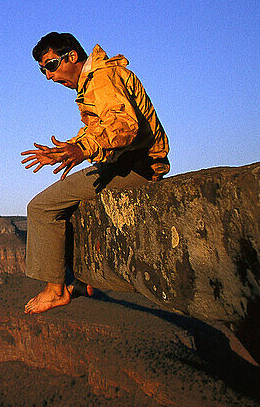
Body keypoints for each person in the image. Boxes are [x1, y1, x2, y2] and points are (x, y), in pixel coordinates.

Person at [20, 32, 169, 314]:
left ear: (72, 56)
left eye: (51, 66)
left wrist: (84, 149)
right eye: (43, 70)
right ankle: (78, 280)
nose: (49, 76)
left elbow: (124, 125)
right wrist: (68, 150)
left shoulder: (101, 80)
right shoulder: (96, 81)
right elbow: (99, 130)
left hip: (136, 167)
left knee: (41, 208)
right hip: (129, 163)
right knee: (71, 203)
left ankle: (55, 290)